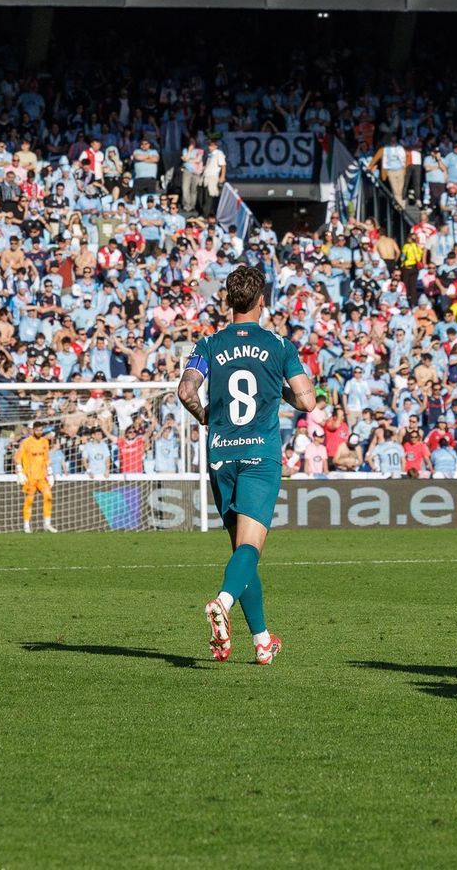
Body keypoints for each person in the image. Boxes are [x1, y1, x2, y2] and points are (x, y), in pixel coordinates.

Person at [177, 265, 317, 664]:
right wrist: (282, 393)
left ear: (227, 300)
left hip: (221, 453)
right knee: (251, 548)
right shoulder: (278, 346)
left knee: (242, 549)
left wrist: (205, 416)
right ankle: (221, 602)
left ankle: (261, 640)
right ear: (262, 301)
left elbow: (186, 389)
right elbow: (307, 401)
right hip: (259, 455)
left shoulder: (208, 345)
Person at [16, 424, 55, 533]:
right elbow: (18, 458)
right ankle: (26, 525)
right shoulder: (26, 442)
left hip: (42, 477)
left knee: (48, 496)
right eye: (37, 430)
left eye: (41, 430)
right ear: (33, 430)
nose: (39, 432)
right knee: (29, 500)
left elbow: (47, 458)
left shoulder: (45, 442)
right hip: (30, 477)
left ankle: (47, 524)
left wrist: (50, 474)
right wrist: (20, 472)